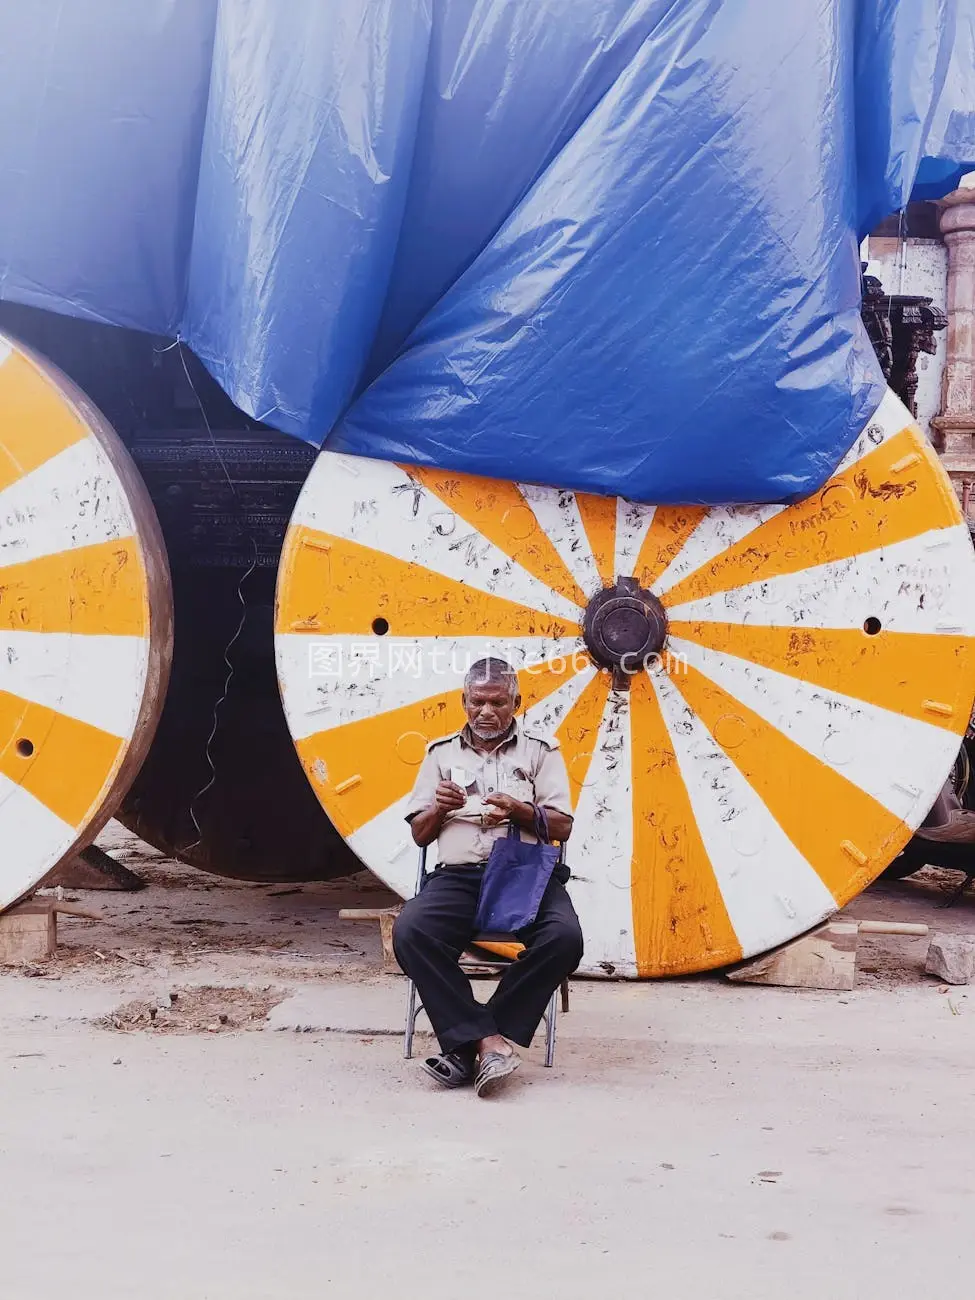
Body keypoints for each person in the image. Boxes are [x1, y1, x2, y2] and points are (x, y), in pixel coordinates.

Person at [393, 656, 583, 1097]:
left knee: (564, 939)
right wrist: (439, 807)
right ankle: (488, 1043)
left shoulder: (540, 751)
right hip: (458, 877)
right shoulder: (440, 754)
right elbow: (421, 836)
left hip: (523, 875)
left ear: (516, 702)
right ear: (463, 701)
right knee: (411, 931)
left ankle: (469, 1043)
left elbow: (563, 827)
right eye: (477, 701)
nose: (486, 711)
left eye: (498, 702)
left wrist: (520, 810)